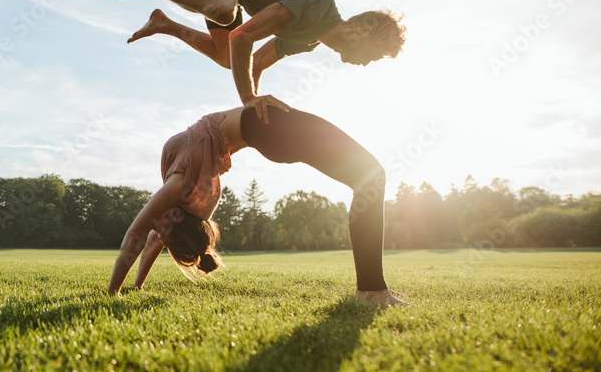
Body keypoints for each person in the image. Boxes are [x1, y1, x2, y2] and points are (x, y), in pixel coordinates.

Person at [108, 95, 407, 307]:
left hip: (265, 132)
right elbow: (143, 238)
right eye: (163, 232)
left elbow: (143, 239)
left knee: (368, 177)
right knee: (370, 175)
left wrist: (121, 291)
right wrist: (122, 291)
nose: (156, 231)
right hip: (266, 126)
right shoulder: (181, 197)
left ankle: (370, 289)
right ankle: (370, 290)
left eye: (161, 231)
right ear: (176, 218)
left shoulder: (179, 197)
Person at [96, 0, 406, 121]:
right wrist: (249, 99)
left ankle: (164, 24)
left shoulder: (308, 41)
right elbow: (241, 36)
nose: (367, 64)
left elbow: (253, 63)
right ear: (363, 31)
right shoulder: (317, 4)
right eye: (374, 55)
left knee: (231, 60)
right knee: (223, 10)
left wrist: (257, 110)